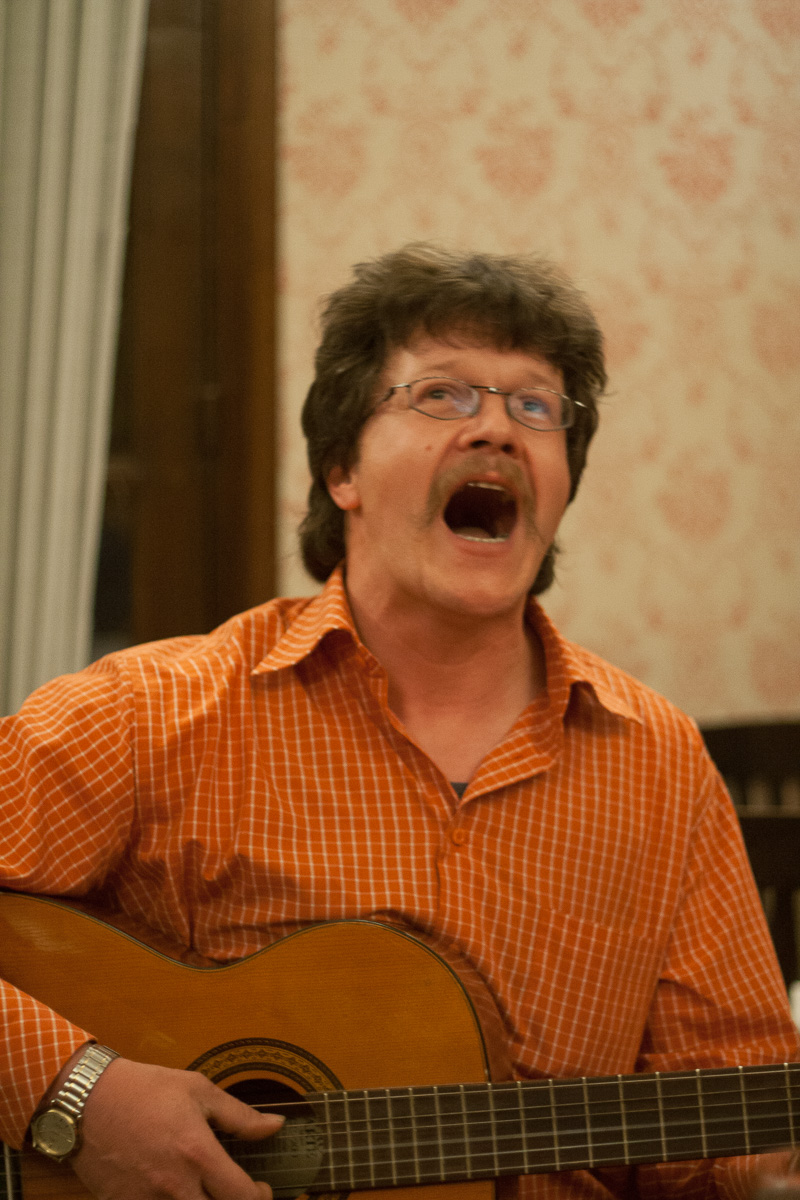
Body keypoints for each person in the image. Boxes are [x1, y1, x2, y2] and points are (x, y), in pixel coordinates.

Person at [1, 243, 797, 1200]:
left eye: (535, 406)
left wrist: (763, 1171)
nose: (496, 429)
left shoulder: (659, 761)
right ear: (342, 468)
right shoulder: (147, 714)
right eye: (442, 395)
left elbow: (732, 1129)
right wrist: (75, 1094)